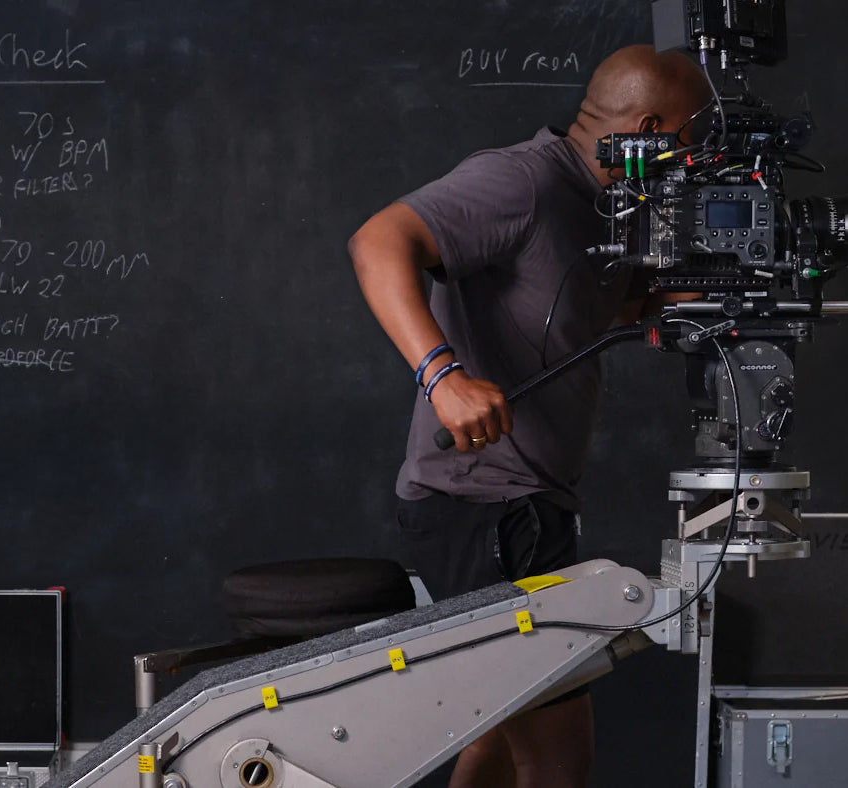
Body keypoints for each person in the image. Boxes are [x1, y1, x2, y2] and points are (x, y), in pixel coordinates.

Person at [348, 44, 710, 788]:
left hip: (525, 504)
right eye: (694, 140)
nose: (697, 161)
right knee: (555, 763)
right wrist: (441, 376)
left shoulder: (600, 208)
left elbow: (589, 307)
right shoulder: (520, 180)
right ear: (649, 127)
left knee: (494, 733)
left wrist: (667, 300)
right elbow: (378, 239)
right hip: (482, 506)